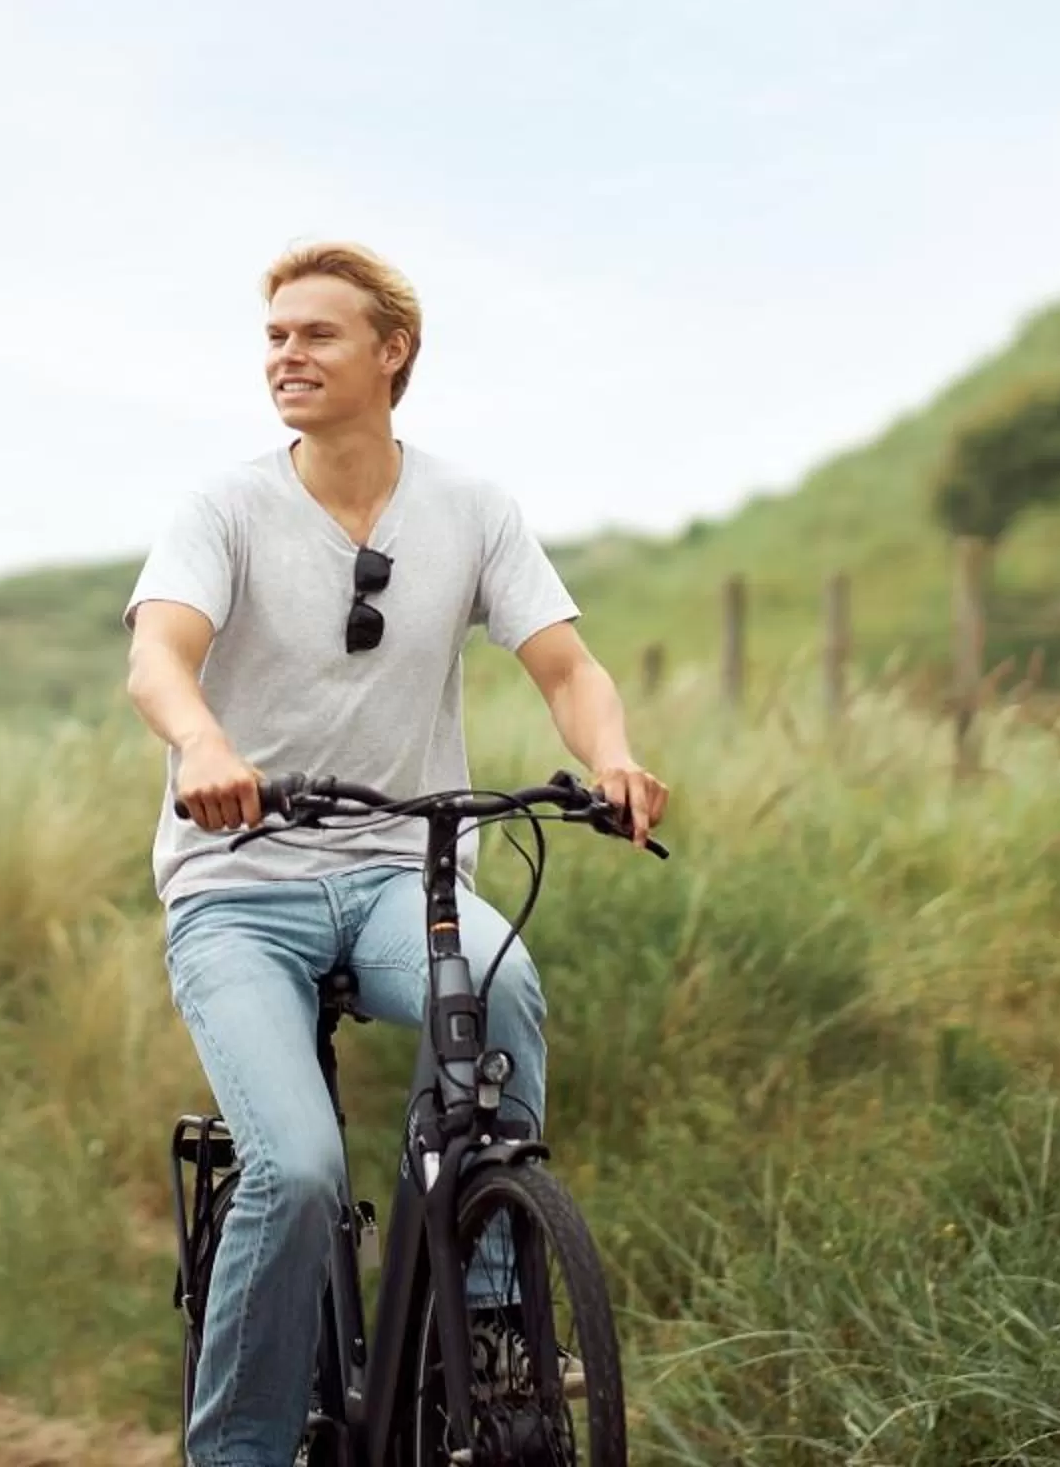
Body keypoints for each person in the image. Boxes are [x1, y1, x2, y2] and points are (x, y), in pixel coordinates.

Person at [124, 242, 668, 1467]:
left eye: (316, 335)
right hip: (241, 888)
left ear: (392, 352)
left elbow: (568, 666)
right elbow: (158, 652)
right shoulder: (226, 507)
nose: (287, 356)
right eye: (275, 337)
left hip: (399, 876)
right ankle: (240, 1454)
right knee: (301, 1168)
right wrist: (204, 740)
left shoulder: (470, 510)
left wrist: (615, 755)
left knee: (502, 983)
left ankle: (477, 1312)